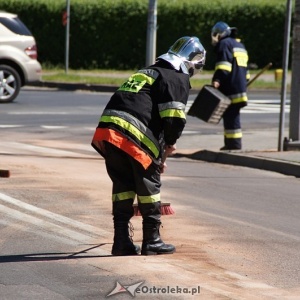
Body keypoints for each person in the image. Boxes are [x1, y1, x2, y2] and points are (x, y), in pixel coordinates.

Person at [91, 36, 206, 256]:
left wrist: (160, 151)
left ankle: (121, 241)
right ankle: (152, 240)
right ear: (191, 62)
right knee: (149, 186)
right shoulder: (176, 77)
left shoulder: (147, 72)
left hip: (108, 131)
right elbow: (174, 117)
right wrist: (169, 145)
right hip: (134, 133)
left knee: (123, 186)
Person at [211, 21, 250, 150]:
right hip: (240, 89)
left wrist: (217, 80)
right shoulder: (240, 46)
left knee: (230, 116)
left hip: (230, 89)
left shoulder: (224, 44)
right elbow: (247, 73)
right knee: (232, 115)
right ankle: (231, 143)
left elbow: (223, 66)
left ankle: (233, 145)